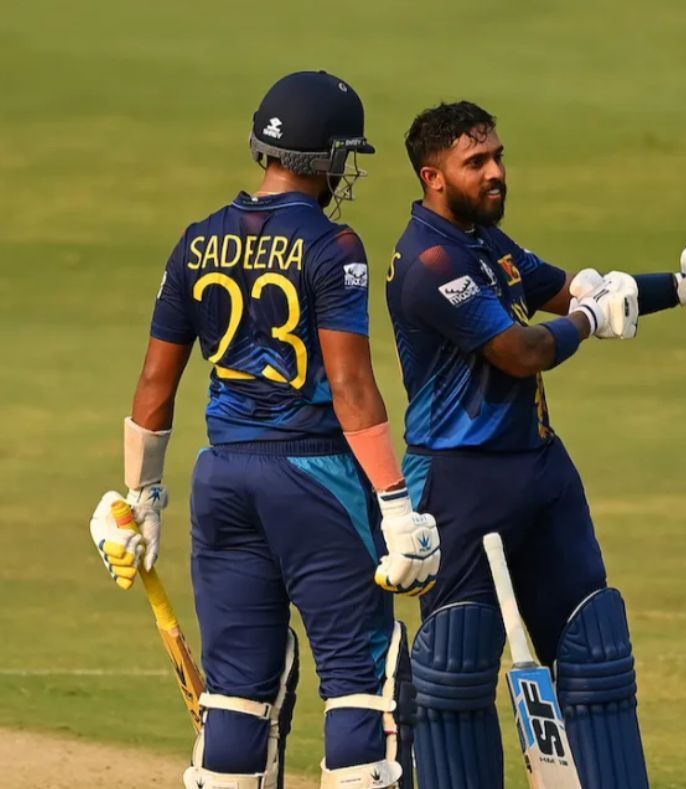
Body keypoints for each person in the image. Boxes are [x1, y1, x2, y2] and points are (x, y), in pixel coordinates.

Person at [385, 101, 686, 789]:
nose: (496, 172)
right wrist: (590, 318)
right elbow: (521, 350)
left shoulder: (487, 244)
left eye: (498, 155)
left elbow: (571, 290)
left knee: (595, 653)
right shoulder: (430, 261)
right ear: (432, 176)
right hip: (461, 482)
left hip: (541, 470)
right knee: (458, 674)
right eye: (477, 163)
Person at [88, 71, 440, 789]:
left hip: (222, 480)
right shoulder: (333, 244)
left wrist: (141, 497)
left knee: (236, 692)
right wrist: (397, 507)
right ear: (331, 157)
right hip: (315, 478)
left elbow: (156, 384)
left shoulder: (196, 242)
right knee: (359, 682)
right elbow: (350, 386)